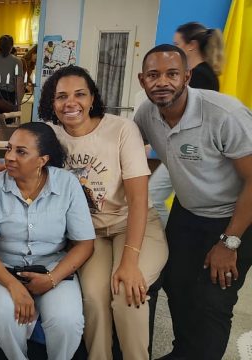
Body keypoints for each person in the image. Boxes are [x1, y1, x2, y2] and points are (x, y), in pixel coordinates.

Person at [38, 65, 168, 359]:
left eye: (80, 94)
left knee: (126, 294)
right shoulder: (51, 135)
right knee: (94, 299)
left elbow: (138, 199)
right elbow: (26, 156)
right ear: (51, 102)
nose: (70, 103)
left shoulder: (121, 129)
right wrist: (1, 165)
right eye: (61, 97)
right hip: (90, 234)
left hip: (135, 225)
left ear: (93, 98)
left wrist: (130, 260)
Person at [134, 44, 252, 360]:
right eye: (153, 75)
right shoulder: (146, 114)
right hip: (189, 212)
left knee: (214, 298)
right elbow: (119, 148)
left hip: (237, 214)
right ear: (141, 80)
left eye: (172, 74)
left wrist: (229, 243)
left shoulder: (224, 115)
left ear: (187, 76)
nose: (162, 82)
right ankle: (184, 352)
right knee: (177, 284)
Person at [0, 122, 94, 360]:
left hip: (52, 264)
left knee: (67, 321)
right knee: (5, 314)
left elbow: (84, 244)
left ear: (42, 160)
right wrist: (13, 285)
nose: (9, 157)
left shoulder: (68, 185)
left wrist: (52, 279)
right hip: (3, 265)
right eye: (8, 149)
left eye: (21, 152)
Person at [150, 22, 225, 227]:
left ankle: (167, 243)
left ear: (191, 45)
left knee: (153, 197)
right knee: (156, 197)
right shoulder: (203, 73)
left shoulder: (200, 76)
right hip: (186, 148)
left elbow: (186, 117)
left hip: (188, 150)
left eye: (177, 44)